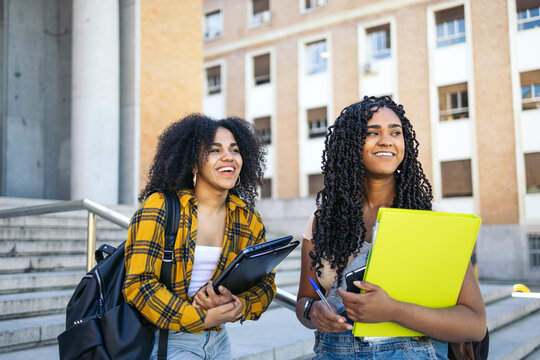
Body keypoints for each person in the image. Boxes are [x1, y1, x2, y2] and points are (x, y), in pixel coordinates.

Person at [295, 96, 486, 359]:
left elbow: (475, 324)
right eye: (372, 133)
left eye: (395, 132)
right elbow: (304, 300)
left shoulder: (434, 219)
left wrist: (394, 310)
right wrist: (312, 312)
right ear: (350, 144)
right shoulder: (323, 220)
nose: (386, 140)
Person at [123, 114, 275, 360]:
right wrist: (198, 317)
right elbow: (138, 284)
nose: (228, 157)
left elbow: (266, 285)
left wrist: (238, 306)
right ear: (193, 163)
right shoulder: (161, 207)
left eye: (234, 150)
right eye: (215, 151)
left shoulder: (247, 218)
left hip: (219, 341)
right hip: (168, 339)